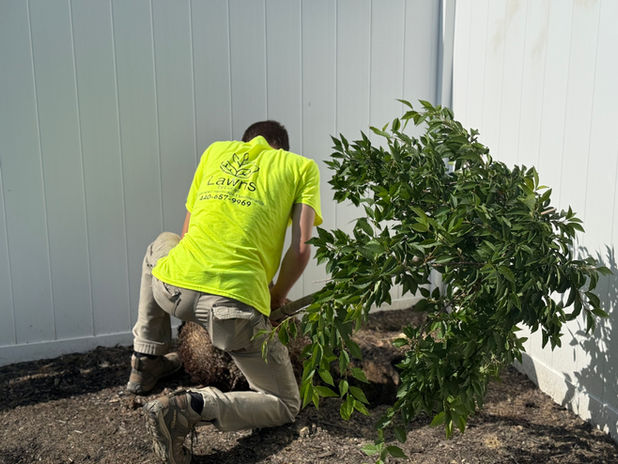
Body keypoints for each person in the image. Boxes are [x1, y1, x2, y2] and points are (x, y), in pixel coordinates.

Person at [127, 120, 322, 464]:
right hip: (231, 309)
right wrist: (276, 296)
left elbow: (187, 235)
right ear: (282, 149)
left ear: (244, 143)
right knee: (285, 403)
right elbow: (302, 248)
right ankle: (191, 407)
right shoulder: (300, 167)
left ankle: (145, 358)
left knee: (161, 243)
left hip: (171, 287)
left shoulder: (215, 152)